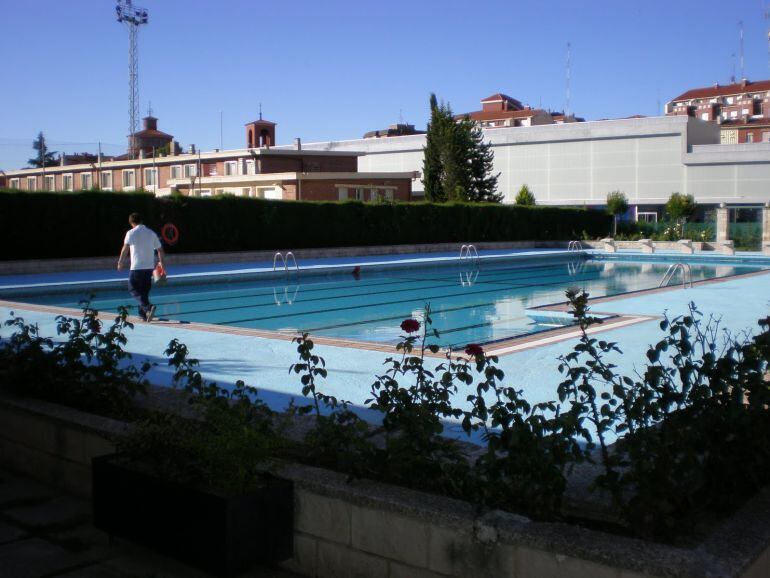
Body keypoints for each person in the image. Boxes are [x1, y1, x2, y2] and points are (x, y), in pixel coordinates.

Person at [117, 212, 165, 322]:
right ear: (141, 221)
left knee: (132, 288)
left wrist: (120, 262)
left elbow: (125, 248)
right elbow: (160, 250)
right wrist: (162, 264)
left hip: (136, 267)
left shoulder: (131, 233)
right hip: (149, 267)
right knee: (143, 292)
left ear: (131, 223)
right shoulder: (151, 233)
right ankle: (143, 314)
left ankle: (148, 307)